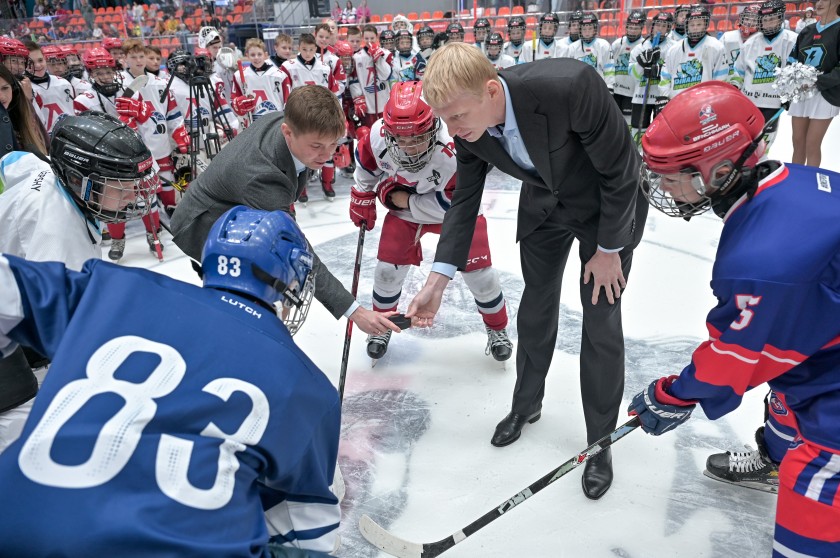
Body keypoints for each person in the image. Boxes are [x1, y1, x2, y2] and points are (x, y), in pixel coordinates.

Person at [0, 206, 341, 557]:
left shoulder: (115, 287)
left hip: (14, 522)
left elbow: (9, 287)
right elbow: (307, 534)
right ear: (289, 282)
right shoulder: (309, 387)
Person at [407, 43, 647, 500]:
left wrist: (609, 248)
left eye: (457, 117)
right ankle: (526, 404)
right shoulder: (468, 120)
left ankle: (600, 441)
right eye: (446, 121)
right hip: (544, 209)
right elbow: (464, 199)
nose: (453, 131)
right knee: (535, 308)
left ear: (491, 90)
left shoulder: (570, 86)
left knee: (600, 322)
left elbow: (622, 170)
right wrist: (437, 280)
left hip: (605, 214)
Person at [629, 81, 840, 558]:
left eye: (670, 174)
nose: (661, 187)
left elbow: (731, 359)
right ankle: (774, 458)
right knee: (787, 384)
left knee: (815, 495)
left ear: (719, 170)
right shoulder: (788, 178)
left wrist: (671, 394)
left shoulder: (761, 262)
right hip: (828, 334)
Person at [170, 84, 402, 338]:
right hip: (204, 222)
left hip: (238, 204)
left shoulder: (295, 124)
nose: (327, 155)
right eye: (317, 146)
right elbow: (296, 250)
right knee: (259, 290)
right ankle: (246, 339)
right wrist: (355, 311)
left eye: (333, 144)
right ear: (287, 132)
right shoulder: (262, 177)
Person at [0, 112, 157, 454]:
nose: (134, 196)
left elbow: (13, 162)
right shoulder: (56, 230)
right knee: (20, 428)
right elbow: (64, 329)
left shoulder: (45, 170)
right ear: (78, 178)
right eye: (122, 186)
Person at [351, 80, 513, 362]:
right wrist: (361, 194)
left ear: (434, 125)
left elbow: (455, 206)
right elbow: (366, 167)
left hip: (454, 209)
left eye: (416, 137)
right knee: (387, 272)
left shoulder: (456, 146)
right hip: (410, 208)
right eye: (400, 139)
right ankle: (380, 326)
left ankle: (497, 328)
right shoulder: (378, 136)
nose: (408, 147)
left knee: (482, 277)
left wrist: (399, 199)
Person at [732, 0, 798, 153]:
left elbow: (794, 70)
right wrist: (735, 89)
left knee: (764, 144)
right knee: (746, 140)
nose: (768, 23)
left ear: (780, 18)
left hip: (773, 103)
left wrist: (789, 94)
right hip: (749, 101)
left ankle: (759, 166)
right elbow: (739, 71)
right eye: (765, 20)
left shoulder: (791, 40)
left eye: (772, 19)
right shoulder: (750, 43)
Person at [787, 0, 840, 167]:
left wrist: (817, 81)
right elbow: (792, 59)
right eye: (818, 0)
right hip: (802, 92)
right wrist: (791, 78)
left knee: (812, 143)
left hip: (826, 94)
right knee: (797, 141)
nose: (819, 3)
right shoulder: (807, 30)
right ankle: (796, 180)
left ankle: (811, 184)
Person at [0, 63, 46, 158]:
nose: (2, 97)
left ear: (14, 89)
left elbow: (46, 149)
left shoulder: (25, 111)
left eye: (5, 88)